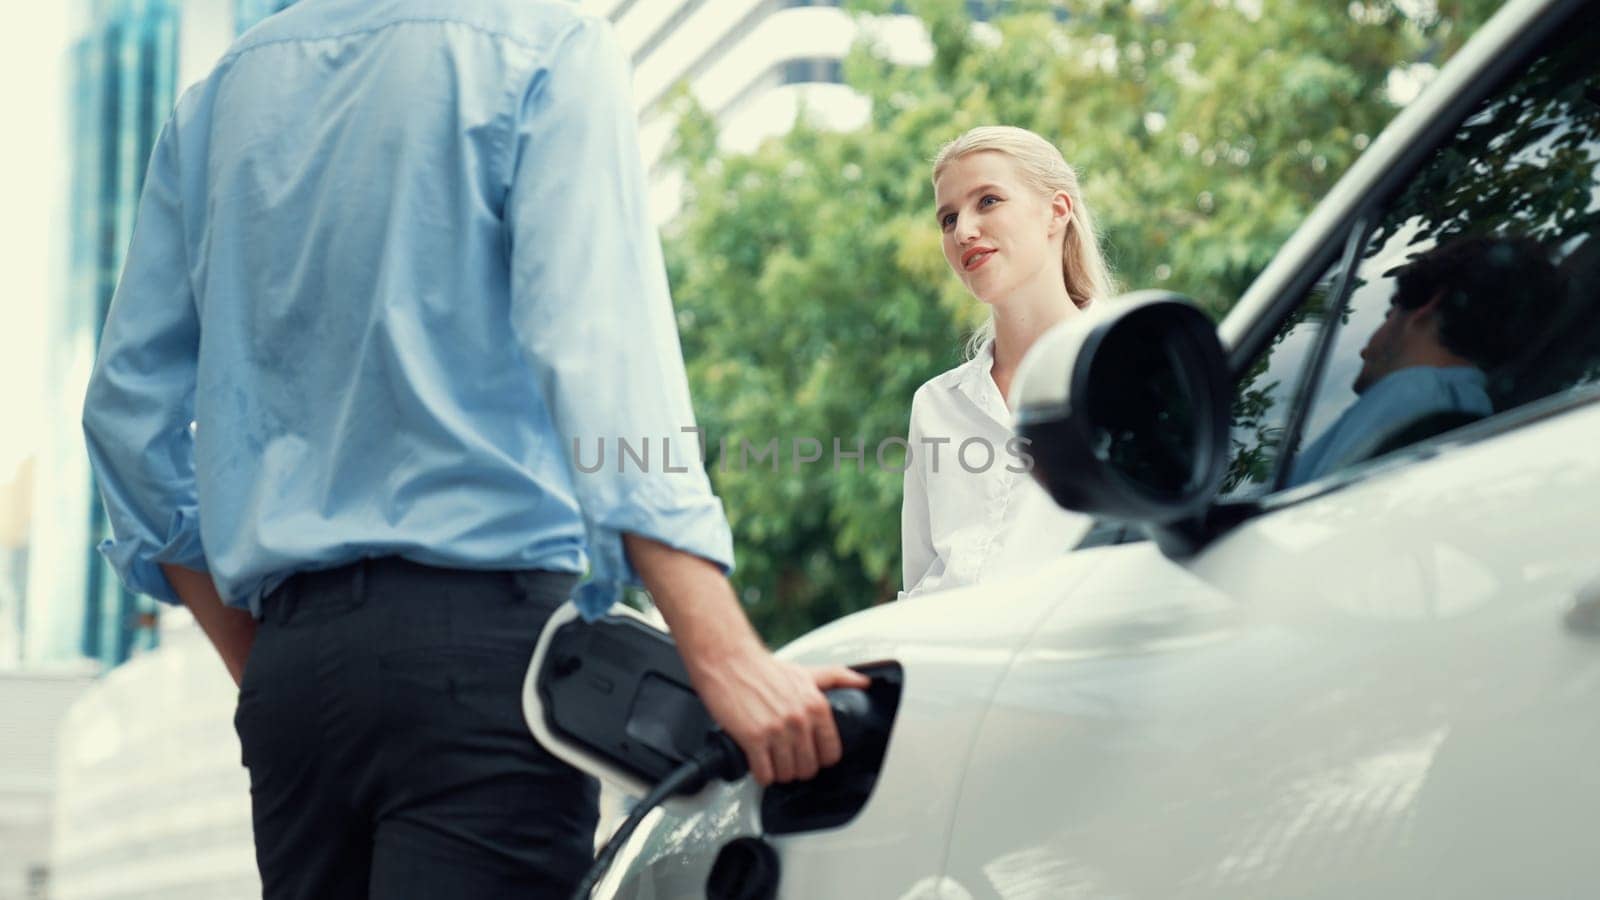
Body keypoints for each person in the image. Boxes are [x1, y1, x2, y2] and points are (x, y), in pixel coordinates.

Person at [80, 2, 866, 897]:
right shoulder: (542, 45)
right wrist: (726, 653)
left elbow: (124, 420)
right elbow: (598, 356)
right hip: (483, 667)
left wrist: (263, 660)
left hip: (294, 686)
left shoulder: (217, 100)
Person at [900, 126, 1113, 598]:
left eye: (988, 201)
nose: (964, 231)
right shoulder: (934, 404)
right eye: (948, 218)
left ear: (1056, 212)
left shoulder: (1131, 369)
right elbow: (917, 582)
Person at [1289, 235, 1559, 485]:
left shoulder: (1413, 394)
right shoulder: (1472, 410)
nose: (1364, 351)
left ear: (1428, 305)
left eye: (1389, 314)